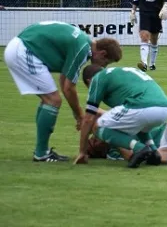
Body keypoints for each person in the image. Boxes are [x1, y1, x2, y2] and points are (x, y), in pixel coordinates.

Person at [3, 21, 122, 162]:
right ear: (102, 54)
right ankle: (41, 153)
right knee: (53, 100)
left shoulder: (83, 41)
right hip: (25, 50)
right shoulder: (83, 49)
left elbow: (64, 79)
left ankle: (42, 151)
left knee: (50, 100)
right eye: (106, 63)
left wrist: (76, 114)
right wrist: (80, 116)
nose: (103, 67)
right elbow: (68, 87)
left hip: (21, 46)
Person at [74, 64, 167, 168]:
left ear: (89, 81)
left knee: (99, 126)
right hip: (164, 107)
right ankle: (154, 152)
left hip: (142, 105)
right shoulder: (120, 74)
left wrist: (82, 152)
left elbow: (89, 119)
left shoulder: (97, 79)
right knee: (138, 124)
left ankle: (139, 148)